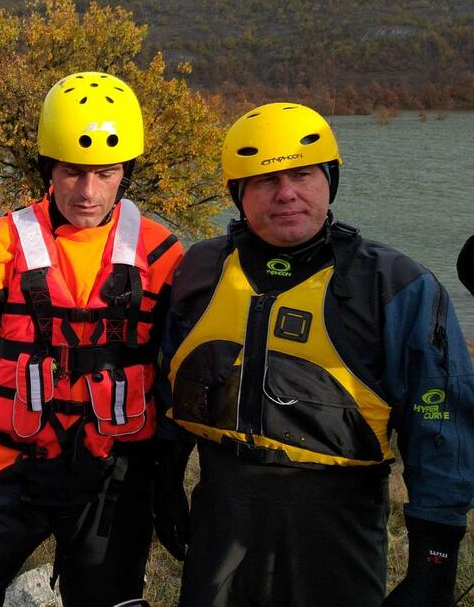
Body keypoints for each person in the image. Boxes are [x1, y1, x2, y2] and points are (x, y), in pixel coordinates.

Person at [160, 102, 473, 607]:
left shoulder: (392, 285)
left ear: (330, 179)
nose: (286, 194)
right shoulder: (199, 270)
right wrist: (164, 480)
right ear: (238, 194)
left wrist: (434, 562)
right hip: (222, 509)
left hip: (338, 522)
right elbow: (168, 383)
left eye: (303, 174)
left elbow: (440, 425)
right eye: (264, 181)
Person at [0, 72, 185, 607]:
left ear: (126, 175)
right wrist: (2, 397)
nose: (87, 192)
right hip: (6, 463)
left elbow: (173, 362)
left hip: (111, 472)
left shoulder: (164, 257)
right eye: (72, 172)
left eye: (105, 173)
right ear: (48, 168)